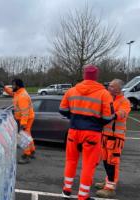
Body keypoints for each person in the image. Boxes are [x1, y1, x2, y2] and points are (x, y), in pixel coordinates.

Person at [59, 65, 114, 200]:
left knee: (70, 161)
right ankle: (82, 196)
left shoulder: (71, 91)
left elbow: (62, 109)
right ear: (97, 77)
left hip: (73, 131)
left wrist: (74, 118)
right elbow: (108, 117)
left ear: (84, 75)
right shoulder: (104, 94)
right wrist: (95, 123)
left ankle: (66, 191)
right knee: (88, 165)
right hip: (92, 133)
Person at [95, 79, 131, 198]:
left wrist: (112, 115)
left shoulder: (124, 101)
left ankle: (110, 188)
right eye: (109, 85)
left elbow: (122, 113)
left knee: (112, 163)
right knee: (106, 161)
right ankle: (108, 182)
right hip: (105, 136)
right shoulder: (108, 98)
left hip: (115, 138)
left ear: (118, 89)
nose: (108, 87)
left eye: (111, 86)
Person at [4, 78, 35, 164]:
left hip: (26, 119)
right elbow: (11, 92)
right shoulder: (18, 93)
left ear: (17, 86)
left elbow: (25, 112)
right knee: (28, 135)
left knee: (24, 136)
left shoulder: (22, 96)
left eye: (13, 85)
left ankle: (26, 155)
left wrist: (23, 124)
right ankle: (32, 151)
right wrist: (4, 88)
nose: (12, 86)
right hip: (25, 118)